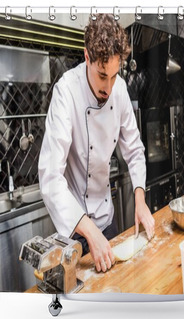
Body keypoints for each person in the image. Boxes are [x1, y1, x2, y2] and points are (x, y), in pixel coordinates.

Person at [38, 14, 155, 273]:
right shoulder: (66, 92)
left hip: (107, 219)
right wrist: (89, 232)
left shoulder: (120, 90)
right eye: (103, 76)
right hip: (75, 228)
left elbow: (134, 151)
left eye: (114, 76)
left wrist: (140, 198)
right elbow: (49, 176)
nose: (109, 87)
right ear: (87, 57)